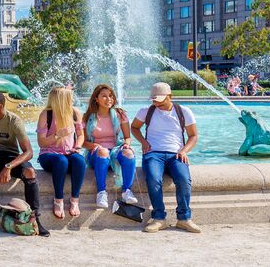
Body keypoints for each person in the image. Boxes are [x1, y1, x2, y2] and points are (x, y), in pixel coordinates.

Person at [0, 91, 49, 236]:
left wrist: (9, 166)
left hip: (10, 157)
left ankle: (35, 218)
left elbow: (28, 152)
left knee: (30, 173)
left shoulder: (14, 121)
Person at [131, 82, 201, 233]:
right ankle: (158, 218)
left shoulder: (184, 112)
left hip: (176, 154)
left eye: (159, 100)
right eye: (154, 100)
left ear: (170, 97)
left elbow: (193, 136)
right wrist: (143, 142)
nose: (156, 103)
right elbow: (134, 127)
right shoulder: (146, 111)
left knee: (184, 179)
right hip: (153, 154)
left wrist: (184, 151)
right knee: (153, 179)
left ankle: (184, 219)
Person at [81, 84, 138, 209]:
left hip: (116, 149)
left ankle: (126, 191)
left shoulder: (120, 114)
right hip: (96, 153)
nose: (109, 99)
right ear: (96, 98)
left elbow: (127, 137)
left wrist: (126, 145)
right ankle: (101, 192)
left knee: (129, 154)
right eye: (104, 96)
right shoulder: (88, 117)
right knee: (103, 152)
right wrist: (95, 145)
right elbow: (82, 142)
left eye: (111, 96)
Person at [36, 87, 87, 219]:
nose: (72, 100)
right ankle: (58, 200)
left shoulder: (75, 113)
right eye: (69, 97)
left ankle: (75, 200)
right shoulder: (46, 115)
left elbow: (81, 135)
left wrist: (78, 146)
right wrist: (57, 135)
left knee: (80, 161)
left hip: (69, 152)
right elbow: (41, 143)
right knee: (61, 161)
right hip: (49, 155)